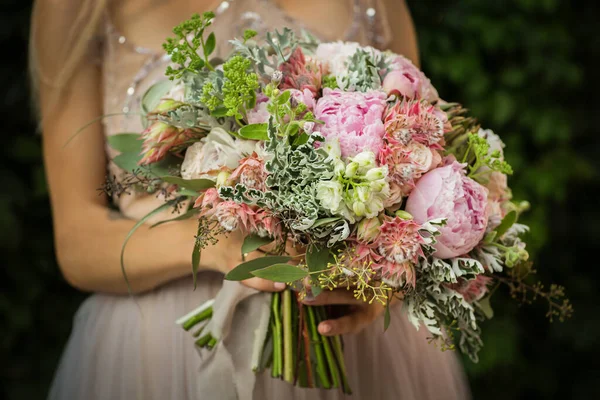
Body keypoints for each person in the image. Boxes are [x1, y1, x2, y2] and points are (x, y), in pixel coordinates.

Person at [30, 0, 471, 398]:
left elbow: (415, 148)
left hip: (354, 338)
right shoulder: (75, 8)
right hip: (166, 352)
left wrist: (383, 284)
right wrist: (217, 243)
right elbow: (77, 243)